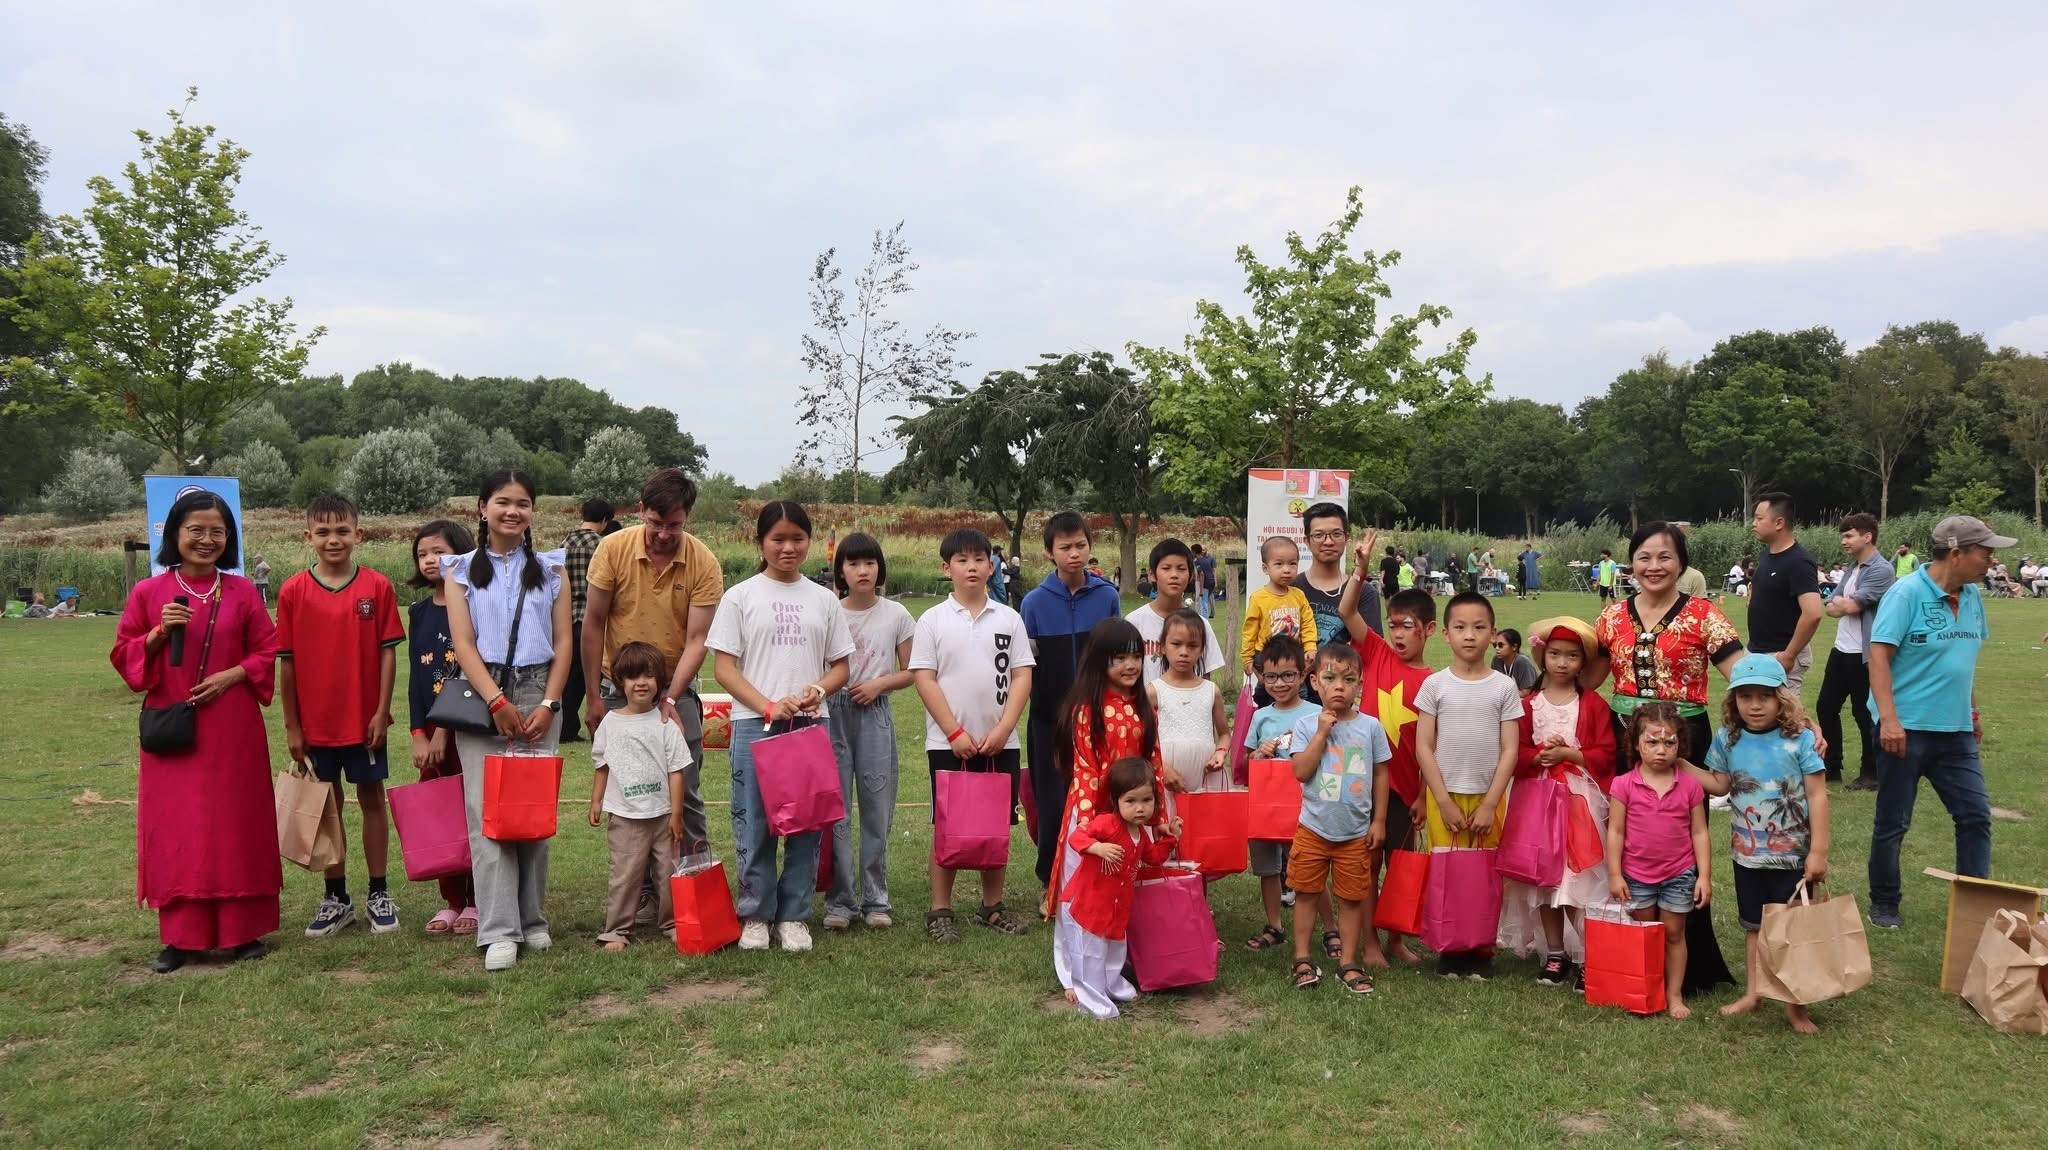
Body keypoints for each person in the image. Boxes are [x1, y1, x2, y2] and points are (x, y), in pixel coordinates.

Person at [111, 490, 281, 974]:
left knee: (236, 822)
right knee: (178, 827)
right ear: (175, 534)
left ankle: (242, 932)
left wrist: (232, 675)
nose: (206, 540)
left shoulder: (243, 591)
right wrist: (158, 633)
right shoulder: (148, 594)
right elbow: (126, 658)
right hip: (174, 732)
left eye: (217, 531)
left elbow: (268, 651)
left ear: (228, 539)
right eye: (196, 530)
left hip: (233, 727)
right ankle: (180, 937)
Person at [1586, 522, 1744, 994]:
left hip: (1683, 738)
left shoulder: (1704, 616)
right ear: (1630, 563)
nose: (1653, 566)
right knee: (1628, 838)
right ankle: (1629, 958)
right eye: (1644, 557)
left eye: (1665, 557)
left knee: (1679, 844)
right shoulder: (1611, 617)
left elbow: (1744, 673)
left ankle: (1690, 968)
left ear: (1682, 563)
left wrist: (1796, 719)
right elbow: (1589, 677)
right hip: (1624, 738)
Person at [442, 471, 573, 972]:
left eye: (523, 503)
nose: (512, 511)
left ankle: (533, 920)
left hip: (540, 688)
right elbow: (464, 644)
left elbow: (564, 644)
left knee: (532, 811)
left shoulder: (551, 569)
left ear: (532, 512)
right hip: (483, 694)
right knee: (488, 815)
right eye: (503, 502)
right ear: (482, 508)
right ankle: (498, 929)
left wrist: (550, 704)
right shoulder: (458, 571)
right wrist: (497, 701)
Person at [709, 501, 854, 953]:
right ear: (761, 542)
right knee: (754, 823)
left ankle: (793, 915)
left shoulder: (824, 598)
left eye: (797, 538)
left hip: (810, 725)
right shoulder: (741, 596)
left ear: (808, 542)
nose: (788, 547)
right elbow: (725, 669)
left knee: (807, 825)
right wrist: (767, 705)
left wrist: (817, 689)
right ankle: (755, 913)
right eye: (778, 539)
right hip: (756, 724)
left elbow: (841, 667)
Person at [582, 469, 723, 919]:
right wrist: (594, 696)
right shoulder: (612, 549)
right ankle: (645, 891)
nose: (664, 534)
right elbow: (593, 622)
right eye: (656, 522)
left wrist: (671, 698)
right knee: (631, 787)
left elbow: (698, 638)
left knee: (687, 790)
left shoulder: (703, 561)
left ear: (687, 519)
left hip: (673, 685)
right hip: (615, 684)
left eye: (674, 525)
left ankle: (693, 887)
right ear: (640, 510)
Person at [1866, 515, 2008, 930]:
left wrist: (1974, 712)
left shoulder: (1973, 597)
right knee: (1894, 822)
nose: (1992, 561)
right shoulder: (1906, 593)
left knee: (1975, 816)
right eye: (1986, 553)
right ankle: (1885, 902)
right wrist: (1889, 720)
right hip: (1905, 730)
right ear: (1957, 552)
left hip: (1956, 731)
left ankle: (1975, 905)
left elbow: (1962, 665)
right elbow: (1878, 657)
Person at [278, 494, 406, 940]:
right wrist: (293, 725)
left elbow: (388, 657)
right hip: (317, 725)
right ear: (308, 536)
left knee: (373, 800)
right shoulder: (293, 590)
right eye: (323, 531)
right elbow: (287, 664)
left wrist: (380, 712)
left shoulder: (377, 587)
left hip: (364, 721)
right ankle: (336, 897)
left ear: (358, 533)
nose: (334, 539)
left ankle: (378, 892)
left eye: (342, 530)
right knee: (325, 805)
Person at [1684, 655, 1830, 1033]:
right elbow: (1719, 785)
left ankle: (1795, 1006)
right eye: (1745, 696)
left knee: (1792, 931)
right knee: (1754, 927)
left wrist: (1818, 852)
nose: (1754, 705)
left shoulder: (1798, 739)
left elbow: (1817, 795)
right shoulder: (1728, 738)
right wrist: (1681, 765)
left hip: (1794, 858)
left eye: (1764, 696)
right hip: (1747, 857)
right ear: (1733, 700)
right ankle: (1754, 993)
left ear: (1781, 698)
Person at [911, 527, 1037, 943]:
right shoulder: (932, 620)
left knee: (995, 826)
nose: (972, 567)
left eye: (979, 559)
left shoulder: (1009, 618)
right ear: (946, 569)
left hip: (1001, 743)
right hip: (949, 743)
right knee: (947, 826)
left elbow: (1021, 676)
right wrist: (954, 731)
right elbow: (924, 679)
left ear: (991, 565)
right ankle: (940, 909)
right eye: (961, 560)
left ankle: (992, 906)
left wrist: (1003, 729)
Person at [1415, 591, 1525, 980]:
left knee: (1483, 872)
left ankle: (1480, 948)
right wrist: (1441, 799)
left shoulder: (1503, 687)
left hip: (1488, 797)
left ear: (1493, 634)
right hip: (1443, 796)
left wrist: (1490, 802)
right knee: (1447, 869)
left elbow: (1510, 749)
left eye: (1479, 628)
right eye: (1460, 627)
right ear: (1445, 634)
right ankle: (1449, 948)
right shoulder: (1434, 686)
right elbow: (1423, 746)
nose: (1469, 636)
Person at [1501, 618, 1616, 990]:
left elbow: (1606, 751)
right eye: (1554, 655)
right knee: (1544, 881)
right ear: (1542, 656)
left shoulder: (1593, 704)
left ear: (1583, 663)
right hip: (1536, 800)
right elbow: (1512, 752)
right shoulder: (1528, 704)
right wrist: (1537, 756)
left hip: (1578, 802)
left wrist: (1571, 753)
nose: (1562, 663)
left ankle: (1587, 955)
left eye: (1571, 656)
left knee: (1577, 881)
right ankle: (1555, 954)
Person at [1339, 534, 1434, 965]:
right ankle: (1371, 944)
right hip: (1365, 781)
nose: (1397, 634)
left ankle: (1397, 940)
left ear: (1429, 630)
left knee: (1402, 869)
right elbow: (1346, 610)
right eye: (1392, 625)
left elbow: (1437, 745)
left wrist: (1422, 796)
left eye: (1407, 626)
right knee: (1367, 864)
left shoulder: (1435, 681)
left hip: (1406, 789)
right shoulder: (1375, 652)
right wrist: (1361, 568)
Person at [1042, 619, 1174, 923]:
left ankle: (1125, 956)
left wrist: (1159, 818)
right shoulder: (1087, 709)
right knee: (1089, 887)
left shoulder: (1145, 709)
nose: (1131, 665)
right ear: (1100, 661)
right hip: (1095, 813)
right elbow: (1085, 769)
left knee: (1126, 883)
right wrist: (1091, 828)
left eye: (1137, 657)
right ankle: (1077, 965)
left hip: (1135, 810)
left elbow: (1155, 764)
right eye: (1120, 658)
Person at [1283, 642, 1393, 995]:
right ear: (1315, 682)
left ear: (1360, 684)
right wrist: (1321, 732)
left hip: (1355, 833)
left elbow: (1380, 774)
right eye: (1330, 678)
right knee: (1306, 893)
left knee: (1351, 897)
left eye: (1349, 680)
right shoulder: (1304, 725)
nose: (1339, 686)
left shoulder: (1371, 727)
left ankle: (1348, 961)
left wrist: (1378, 821)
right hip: (1314, 828)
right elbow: (1301, 771)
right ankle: (1302, 958)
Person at [1022, 511, 1124, 889]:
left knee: (1099, 800)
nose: (1074, 554)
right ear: (1049, 552)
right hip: (1048, 721)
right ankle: (1050, 881)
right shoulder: (1033, 603)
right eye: (1065, 547)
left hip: (1098, 718)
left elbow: (1118, 658)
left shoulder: (1107, 597)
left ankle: (1098, 876)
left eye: (1080, 545)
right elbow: (1025, 668)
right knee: (1051, 804)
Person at [823, 532, 917, 933]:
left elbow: (912, 671)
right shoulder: (829, 611)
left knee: (877, 807)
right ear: (840, 570)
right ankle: (841, 901)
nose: (863, 571)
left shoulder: (896, 614)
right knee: (836, 809)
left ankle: (876, 899)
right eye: (854, 564)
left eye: (870, 563)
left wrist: (880, 685)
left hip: (875, 712)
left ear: (880, 568)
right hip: (833, 711)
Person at [1606, 702, 1711, 1020]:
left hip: (1679, 873)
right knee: (1644, 933)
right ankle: (1645, 990)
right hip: (1636, 874)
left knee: (1674, 933)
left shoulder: (1690, 785)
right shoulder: (1623, 785)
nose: (1661, 750)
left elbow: (1700, 833)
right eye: (1652, 742)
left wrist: (1704, 876)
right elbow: (1615, 831)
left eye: (1669, 742)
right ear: (1636, 743)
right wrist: (1614, 874)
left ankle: (1674, 994)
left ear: (1680, 745)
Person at [1057, 758, 1180, 1019]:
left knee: (1114, 949)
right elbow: (1077, 837)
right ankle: (1091, 998)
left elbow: (1153, 857)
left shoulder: (1140, 833)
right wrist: (1097, 848)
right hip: (1091, 903)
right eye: (1131, 801)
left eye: (1147, 800)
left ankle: (1112, 984)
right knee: (1091, 952)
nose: (1140, 809)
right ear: (1116, 801)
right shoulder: (1107, 824)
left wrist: (1171, 838)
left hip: (1116, 906)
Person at [587, 640, 690, 951]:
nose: (641, 683)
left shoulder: (665, 724)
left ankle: (672, 923)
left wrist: (676, 813)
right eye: (632, 677)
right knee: (624, 875)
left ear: (659, 680)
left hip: (662, 816)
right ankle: (617, 930)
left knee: (667, 873)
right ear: (621, 682)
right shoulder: (610, 722)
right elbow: (602, 765)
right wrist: (596, 801)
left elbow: (676, 771)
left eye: (647, 675)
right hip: (625, 816)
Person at [405, 519, 479, 937]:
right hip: (430, 735)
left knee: (474, 813)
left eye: (439, 551)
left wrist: (442, 730)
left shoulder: (471, 603)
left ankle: (478, 899)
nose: (431, 560)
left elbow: (464, 672)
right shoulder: (417, 612)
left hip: (466, 727)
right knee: (441, 815)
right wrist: (419, 732)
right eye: (422, 553)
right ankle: (452, 899)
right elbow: (417, 679)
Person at [1240, 635, 1325, 954]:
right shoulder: (1261, 716)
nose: (1280, 683)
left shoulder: (1316, 713)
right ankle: (1274, 925)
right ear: (1262, 677)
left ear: (1303, 673)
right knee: (1268, 868)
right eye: (1272, 676)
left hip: (1305, 804)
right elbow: (1246, 763)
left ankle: (1330, 928)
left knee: (1309, 865)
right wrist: (1259, 753)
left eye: (1288, 675)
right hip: (1266, 804)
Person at [1816, 513, 1895, 791]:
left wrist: (1843, 603)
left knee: (1864, 714)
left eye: (1849, 535)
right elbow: (1830, 606)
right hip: (1841, 650)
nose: (1844, 541)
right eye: (1843, 535)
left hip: (1865, 654)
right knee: (1826, 708)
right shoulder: (1852, 569)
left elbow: (1850, 607)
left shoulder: (1880, 569)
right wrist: (1841, 603)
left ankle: (1871, 772)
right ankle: (1830, 766)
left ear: (1867, 536)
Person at [1747, 493, 1824, 692]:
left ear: (1779, 522)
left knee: (1785, 720)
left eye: (1759, 518)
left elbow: (1813, 613)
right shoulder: (1768, 555)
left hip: (1780, 655)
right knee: (1758, 719)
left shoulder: (1798, 562)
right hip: (1758, 652)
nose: (1753, 523)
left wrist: (1789, 655)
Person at [1150, 609, 1229, 795]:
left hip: (1207, 778)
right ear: (1162, 646)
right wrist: (1162, 768)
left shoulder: (1211, 691)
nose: (1184, 652)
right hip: (1165, 777)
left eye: (1192, 646)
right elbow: (1142, 741)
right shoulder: (1153, 691)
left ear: (1202, 649)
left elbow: (1224, 733)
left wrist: (1220, 752)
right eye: (1176, 644)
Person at [1128, 539, 1225, 685]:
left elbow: (1205, 680)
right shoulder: (1134, 622)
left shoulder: (1200, 625)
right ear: (1152, 574)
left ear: (1191, 575)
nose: (1174, 575)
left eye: (1181, 568)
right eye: (1166, 568)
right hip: (1144, 706)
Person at [559, 498, 613, 743]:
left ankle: (566, 727)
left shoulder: (563, 544)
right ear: (604, 520)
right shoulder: (604, 546)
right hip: (592, 620)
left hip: (566, 620)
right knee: (598, 676)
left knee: (568, 680)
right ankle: (601, 726)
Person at [1239, 536, 1318, 682]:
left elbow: (1307, 623)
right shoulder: (1258, 598)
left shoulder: (1298, 595)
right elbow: (1250, 631)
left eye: (1292, 564)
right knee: (1267, 694)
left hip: (1293, 656)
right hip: (1265, 656)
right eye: (1279, 564)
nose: (1287, 570)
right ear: (1265, 568)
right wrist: (1247, 658)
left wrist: (1310, 646)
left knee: (1298, 693)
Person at [1301, 502, 1380, 640]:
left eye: (1336, 534)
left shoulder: (1364, 592)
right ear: (1307, 541)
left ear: (1346, 538)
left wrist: (1360, 569)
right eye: (1319, 535)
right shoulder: (1292, 589)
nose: (1328, 542)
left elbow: (1374, 650)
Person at [1489, 628, 1541, 693]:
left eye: (1500, 645)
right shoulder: (1497, 660)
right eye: (1496, 645)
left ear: (1514, 647)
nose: (1497, 648)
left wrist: (1503, 696)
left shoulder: (1522, 662)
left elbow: (1526, 692)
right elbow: (1494, 686)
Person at [1191, 543, 1217, 618]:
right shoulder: (1206, 559)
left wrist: (1201, 589)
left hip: (1205, 583)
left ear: (1194, 552)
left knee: (1203, 603)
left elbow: (1201, 574)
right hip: (1211, 582)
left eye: (1192, 551)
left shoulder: (1197, 561)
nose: (1191, 553)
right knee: (1205, 601)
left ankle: (1205, 623)